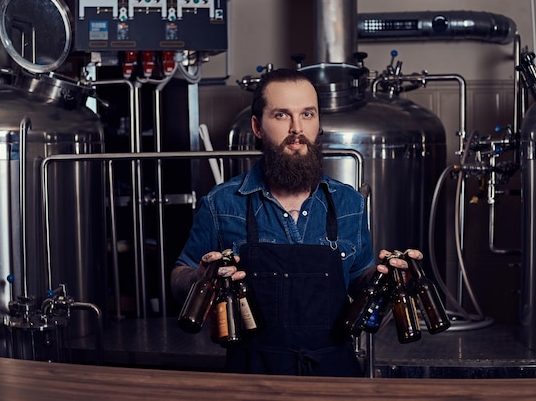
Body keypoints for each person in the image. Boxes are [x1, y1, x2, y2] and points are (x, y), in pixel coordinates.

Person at [171, 68, 423, 377]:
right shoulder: (222, 203)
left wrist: (388, 277)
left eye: (307, 114)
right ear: (257, 127)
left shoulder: (349, 204)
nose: (296, 129)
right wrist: (199, 277)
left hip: (334, 375)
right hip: (253, 376)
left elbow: (359, 278)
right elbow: (178, 277)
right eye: (281, 115)